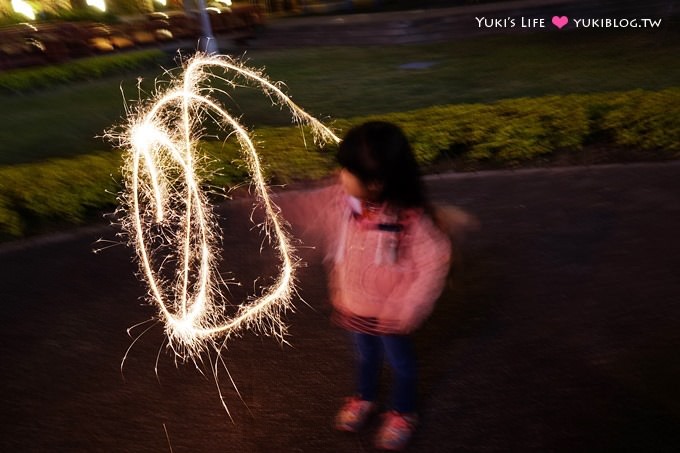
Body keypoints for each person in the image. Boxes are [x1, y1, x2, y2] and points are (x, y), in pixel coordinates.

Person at [277, 121, 475, 451]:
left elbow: (433, 260)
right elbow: (307, 205)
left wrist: (408, 306)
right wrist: (270, 201)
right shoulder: (342, 201)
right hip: (353, 305)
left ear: (376, 183)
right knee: (365, 357)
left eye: (348, 171)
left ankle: (402, 411)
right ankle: (365, 397)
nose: (340, 176)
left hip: (391, 315)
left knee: (401, 364)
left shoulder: (406, 219)